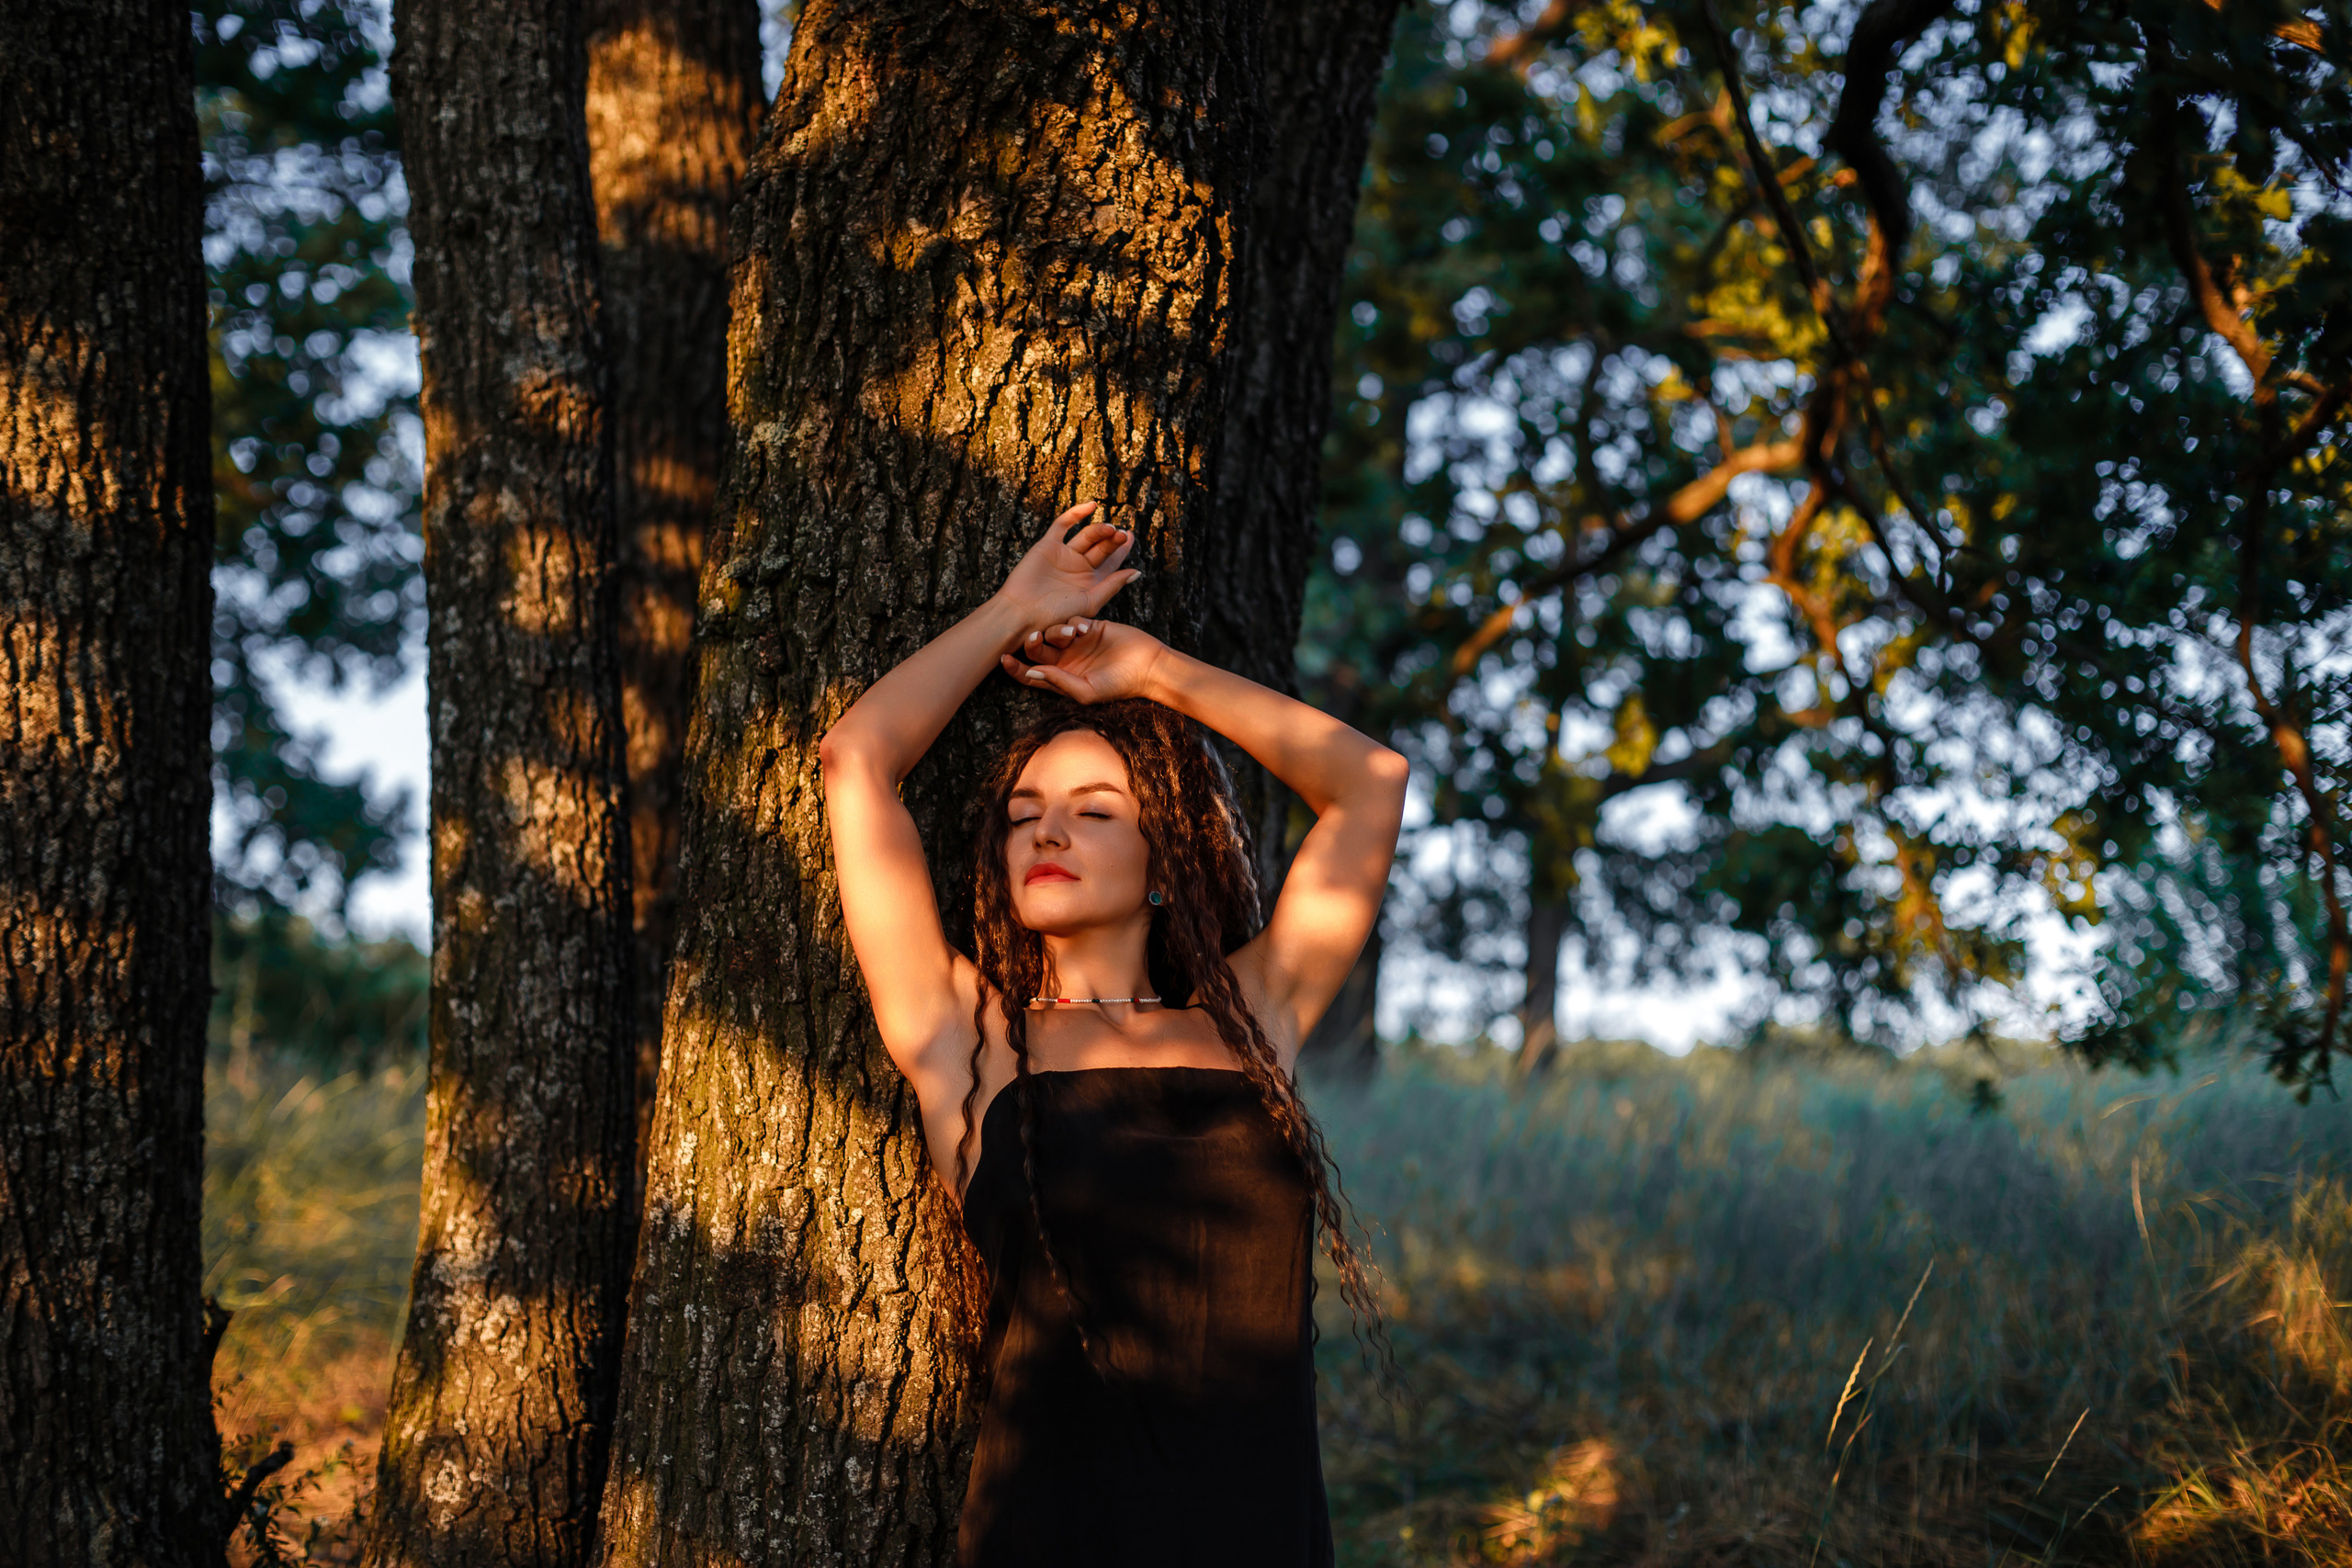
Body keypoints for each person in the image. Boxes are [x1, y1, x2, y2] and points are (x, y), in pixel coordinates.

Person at [817, 502, 1408, 1567]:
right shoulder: (971, 1037)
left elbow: (1370, 783)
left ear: (1163, 860)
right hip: (1051, 1532)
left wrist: (1152, 670)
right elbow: (857, 760)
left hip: (1255, 1533)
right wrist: (1013, 610)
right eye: (1023, 813)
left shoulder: (1251, 1018)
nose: (1047, 828)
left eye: (1094, 811)